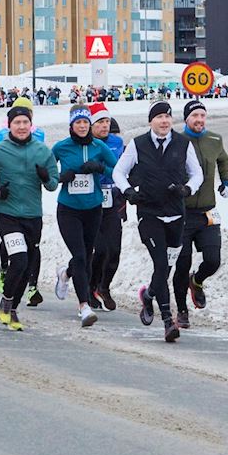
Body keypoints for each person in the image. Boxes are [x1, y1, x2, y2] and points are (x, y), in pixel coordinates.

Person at [112, 100, 203, 343]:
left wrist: (187, 189)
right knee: (161, 263)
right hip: (149, 212)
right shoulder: (138, 144)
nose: (164, 121)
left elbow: (198, 174)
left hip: (176, 214)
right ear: (151, 121)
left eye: (167, 117)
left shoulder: (183, 144)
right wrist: (128, 191)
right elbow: (118, 172)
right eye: (159, 117)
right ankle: (167, 321)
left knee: (166, 267)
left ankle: (149, 295)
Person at [0, 102, 58, 331]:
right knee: (20, 259)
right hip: (7, 214)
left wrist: (45, 177)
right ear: (10, 125)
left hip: (33, 215)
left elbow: (54, 183)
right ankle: (4, 303)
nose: (22, 126)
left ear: (31, 125)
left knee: (27, 266)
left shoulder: (42, 151)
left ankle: (12, 309)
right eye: (17, 122)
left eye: (25, 122)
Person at [50, 106, 117, 327]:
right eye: (78, 123)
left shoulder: (99, 146)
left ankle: (65, 274)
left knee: (86, 256)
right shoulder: (61, 147)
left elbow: (116, 170)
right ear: (71, 125)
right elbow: (47, 172)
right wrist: (61, 177)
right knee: (80, 255)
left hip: (93, 208)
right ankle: (84, 306)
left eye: (85, 123)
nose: (82, 126)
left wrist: (99, 167)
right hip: (68, 209)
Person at [175, 98, 228, 329]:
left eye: (202, 116)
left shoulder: (215, 139)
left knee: (213, 260)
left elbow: (223, 159)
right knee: (182, 262)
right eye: (194, 116)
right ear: (186, 119)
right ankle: (181, 310)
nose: (199, 120)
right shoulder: (177, 141)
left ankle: (196, 281)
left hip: (208, 211)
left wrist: (226, 181)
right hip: (183, 213)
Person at [89, 107, 126, 310]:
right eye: (100, 122)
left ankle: (104, 286)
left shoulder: (117, 143)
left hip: (112, 200)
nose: (105, 126)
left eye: (107, 122)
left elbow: (122, 168)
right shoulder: (87, 143)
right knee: (99, 249)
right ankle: (91, 285)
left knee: (114, 249)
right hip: (91, 201)